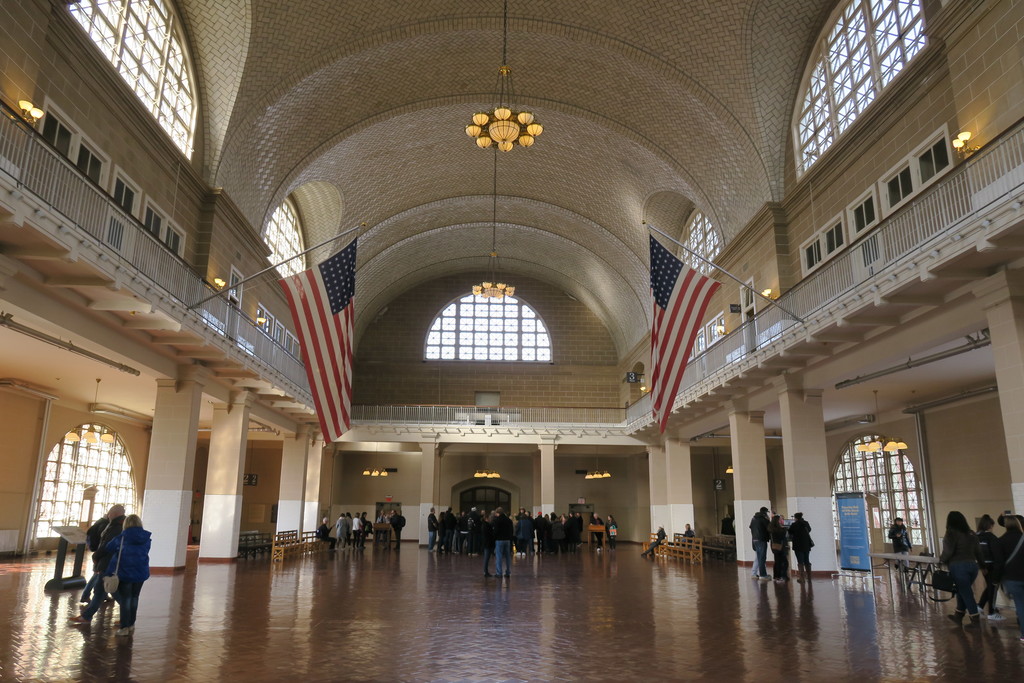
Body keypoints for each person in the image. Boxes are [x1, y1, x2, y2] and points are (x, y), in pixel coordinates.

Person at [70, 504, 126, 625]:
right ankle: (87, 616)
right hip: (108, 563)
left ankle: (128, 615)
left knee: (113, 592)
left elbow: (106, 546)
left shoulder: (115, 527)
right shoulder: (118, 526)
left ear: (115, 514)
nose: (108, 515)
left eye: (110, 513)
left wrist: (96, 556)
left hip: (108, 563)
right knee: (101, 591)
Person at [105, 514, 151, 637]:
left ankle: (124, 626)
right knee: (135, 597)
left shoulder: (121, 538)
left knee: (126, 599)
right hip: (140, 572)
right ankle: (131, 624)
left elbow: (108, 548)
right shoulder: (146, 538)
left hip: (124, 572)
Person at [940, 510, 985, 626]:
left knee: (966, 592)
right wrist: (983, 566)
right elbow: (979, 552)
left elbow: (948, 551)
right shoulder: (971, 533)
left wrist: (942, 560)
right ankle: (958, 615)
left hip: (958, 566)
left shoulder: (951, 533)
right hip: (973, 566)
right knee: (962, 590)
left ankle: (975, 619)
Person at [996, 515, 1024, 644]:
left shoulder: (1001, 540)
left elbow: (999, 562)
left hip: (1012, 578)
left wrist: (996, 579)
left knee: (1020, 605)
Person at [975, 514, 1005, 619]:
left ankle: (980, 606)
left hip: (983, 566)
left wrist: (982, 566)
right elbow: (997, 554)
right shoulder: (991, 537)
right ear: (990, 526)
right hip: (992, 565)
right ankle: (991, 612)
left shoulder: (976, 536)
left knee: (989, 586)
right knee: (993, 587)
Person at [80, 511, 110, 604]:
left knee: (99, 574)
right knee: (97, 574)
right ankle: (86, 595)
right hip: (100, 553)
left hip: (98, 552)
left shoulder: (99, 523)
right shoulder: (105, 525)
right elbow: (104, 540)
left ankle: (103, 595)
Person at [788, 512, 814, 583]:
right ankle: (809, 577)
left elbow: (790, 532)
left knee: (800, 561)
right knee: (807, 560)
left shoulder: (794, 525)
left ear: (795, 518)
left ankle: (801, 578)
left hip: (798, 545)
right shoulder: (806, 523)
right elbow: (809, 530)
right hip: (806, 545)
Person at [749, 507, 771, 580]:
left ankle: (754, 573)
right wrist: (768, 519)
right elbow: (769, 527)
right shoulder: (763, 519)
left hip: (754, 540)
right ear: (765, 512)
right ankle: (763, 575)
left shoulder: (754, 519)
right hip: (761, 539)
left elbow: (750, 527)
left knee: (758, 557)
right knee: (762, 558)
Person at [492, 507, 514, 577]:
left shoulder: (497, 520)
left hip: (499, 540)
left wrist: (494, 538)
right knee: (507, 556)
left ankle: (499, 573)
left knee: (499, 556)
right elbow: (511, 530)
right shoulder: (508, 520)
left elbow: (495, 531)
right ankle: (508, 572)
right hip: (507, 540)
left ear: (497, 513)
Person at [769, 515, 790, 583]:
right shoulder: (780, 530)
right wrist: (784, 529)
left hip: (774, 547)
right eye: (780, 519)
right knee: (784, 562)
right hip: (781, 547)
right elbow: (783, 536)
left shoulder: (771, 528)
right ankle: (782, 576)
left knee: (777, 561)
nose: (782, 520)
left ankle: (776, 576)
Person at [482, 511, 497, 576]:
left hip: (486, 543)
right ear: (486, 518)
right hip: (488, 543)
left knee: (487, 558)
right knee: (487, 558)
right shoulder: (487, 525)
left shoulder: (484, 525)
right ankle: (485, 571)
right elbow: (491, 534)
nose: (490, 519)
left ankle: (485, 571)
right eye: (489, 518)